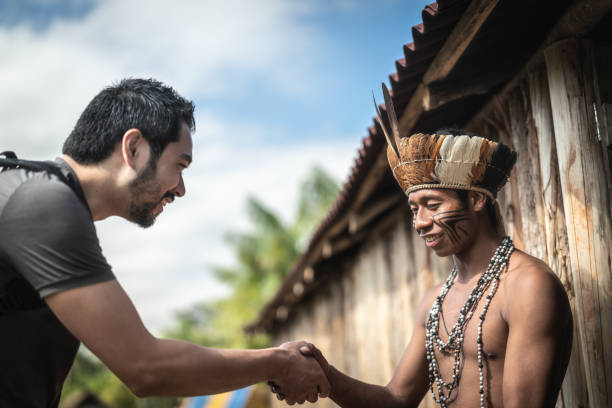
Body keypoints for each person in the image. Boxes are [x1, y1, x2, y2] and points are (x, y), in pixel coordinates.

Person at [0, 78, 329, 407]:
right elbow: (144, 367)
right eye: (180, 165)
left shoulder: (38, 194)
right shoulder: (42, 204)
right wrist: (279, 362)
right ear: (133, 149)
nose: (181, 188)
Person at [273, 127, 573, 407]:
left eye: (433, 204)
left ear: (476, 199)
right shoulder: (434, 301)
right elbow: (397, 400)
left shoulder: (527, 286)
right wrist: (327, 376)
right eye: (414, 209)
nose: (420, 222)